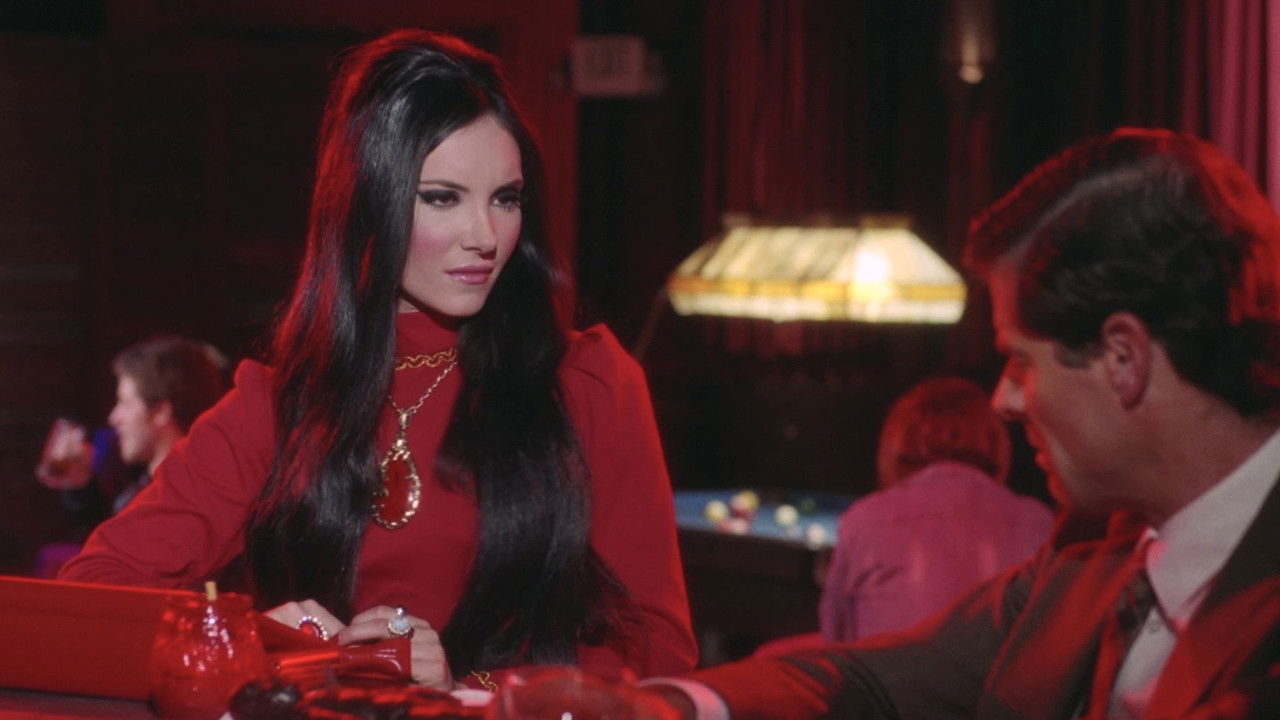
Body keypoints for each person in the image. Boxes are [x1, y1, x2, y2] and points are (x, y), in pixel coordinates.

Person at [60, 29, 697, 690]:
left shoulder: (588, 382)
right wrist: (253, 643)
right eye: (443, 198)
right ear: (368, 203)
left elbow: (655, 650)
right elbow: (93, 592)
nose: (485, 236)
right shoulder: (280, 404)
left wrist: (464, 690)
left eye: (506, 199)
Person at [639, 128, 1280, 719]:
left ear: (1123, 359)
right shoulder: (1096, 541)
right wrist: (669, 707)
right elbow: (882, 679)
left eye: (1021, 361)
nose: (1003, 399)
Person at [819, 376, 1053, 643]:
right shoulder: (1039, 522)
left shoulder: (864, 519)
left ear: (896, 443)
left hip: (896, 671)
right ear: (995, 441)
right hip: (1008, 672)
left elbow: (837, 640)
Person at [34, 336, 228, 553]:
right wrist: (81, 487)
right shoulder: (152, 492)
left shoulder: (183, 504)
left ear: (161, 412)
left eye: (125, 403)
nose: (114, 418)